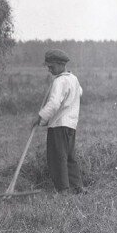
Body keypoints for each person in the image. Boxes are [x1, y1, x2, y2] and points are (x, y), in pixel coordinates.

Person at [31, 49, 84, 194]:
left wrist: (41, 118)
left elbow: (54, 104)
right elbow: (79, 92)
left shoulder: (59, 81)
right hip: (71, 125)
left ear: (61, 64)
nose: (49, 69)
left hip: (58, 125)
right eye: (48, 66)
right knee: (70, 157)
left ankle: (63, 190)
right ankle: (76, 187)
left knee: (57, 158)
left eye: (51, 66)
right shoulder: (73, 79)